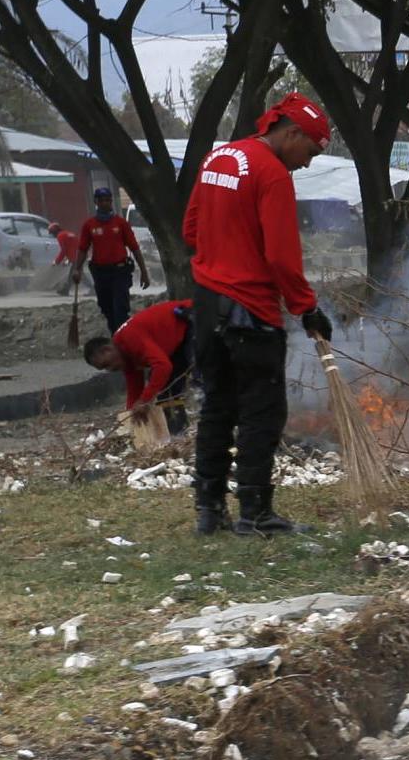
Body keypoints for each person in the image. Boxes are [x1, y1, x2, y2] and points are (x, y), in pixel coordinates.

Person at [182, 92, 334, 536]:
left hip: (208, 304)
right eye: (310, 151)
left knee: (217, 407)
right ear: (291, 133)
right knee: (260, 413)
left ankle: (209, 512)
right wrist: (307, 308)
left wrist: (222, 253)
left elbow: (190, 229)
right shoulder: (271, 174)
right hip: (251, 311)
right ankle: (255, 513)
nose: (306, 163)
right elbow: (282, 257)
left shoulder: (218, 158)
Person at [83, 296, 194, 436]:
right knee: (167, 389)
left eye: (107, 364)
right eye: (104, 369)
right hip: (177, 340)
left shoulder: (130, 338)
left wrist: (144, 400)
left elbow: (163, 366)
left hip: (190, 319)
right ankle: (179, 434)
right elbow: (135, 388)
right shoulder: (124, 356)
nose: (110, 370)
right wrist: (130, 417)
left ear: (107, 349)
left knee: (202, 373)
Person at [71, 186, 146, 334]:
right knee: (106, 307)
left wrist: (144, 271)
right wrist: (77, 269)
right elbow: (82, 249)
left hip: (120, 272)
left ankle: (122, 339)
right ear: (96, 202)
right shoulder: (89, 225)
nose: (106, 203)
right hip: (100, 273)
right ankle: (115, 335)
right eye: (102, 200)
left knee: (120, 309)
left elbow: (134, 247)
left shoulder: (120, 223)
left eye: (108, 200)